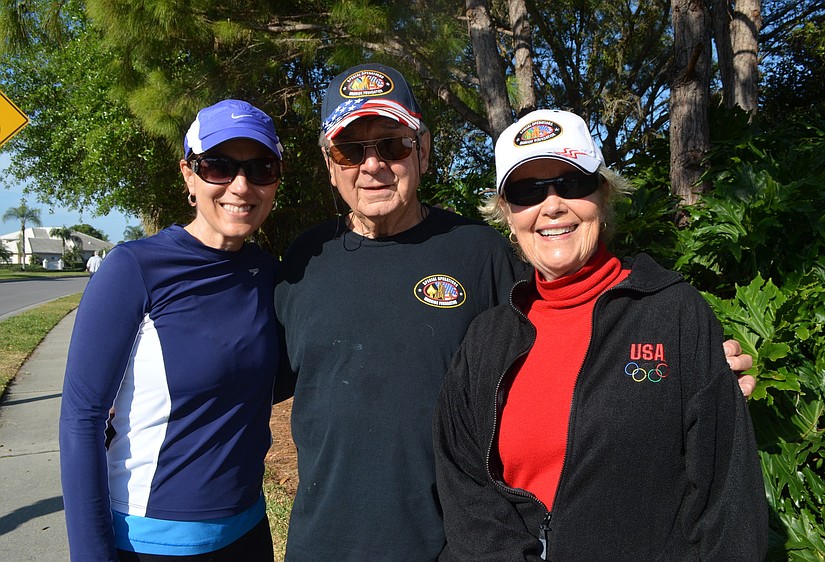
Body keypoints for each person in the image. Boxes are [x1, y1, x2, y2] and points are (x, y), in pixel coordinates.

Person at [274, 64, 756, 560]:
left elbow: (570, 325)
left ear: (423, 149)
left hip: (443, 545)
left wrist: (693, 365)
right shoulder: (303, 261)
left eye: (393, 144)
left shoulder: (478, 253)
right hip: (326, 544)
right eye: (349, 150)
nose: (372, 164)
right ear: (329, 163)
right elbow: (249, 379)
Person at [432, 109, 769, 560]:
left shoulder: (674, 313)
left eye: (572, 183)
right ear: (507, 215)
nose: (552, 205)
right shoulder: (485, 339)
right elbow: (465, 487)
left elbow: (728, 500)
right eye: (527, 191)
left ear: (603, 195)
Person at [60, 99, 284, 562]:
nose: (241, 185)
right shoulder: (134, 269)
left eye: (260, 168)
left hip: (249, 530)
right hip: (149, 541)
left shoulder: (269, 274)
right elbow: (81, 420)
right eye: (218, 166)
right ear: (189, 175)